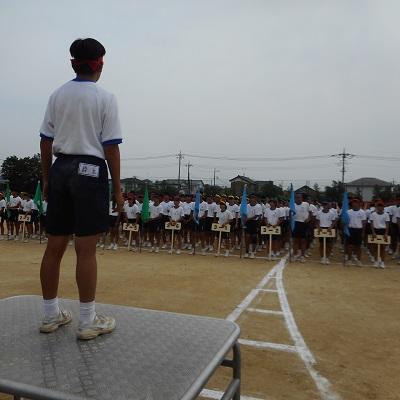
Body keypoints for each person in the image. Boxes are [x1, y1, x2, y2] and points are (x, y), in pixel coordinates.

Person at [39, 38, 123, 340]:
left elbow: (45, 141)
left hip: (61, 167)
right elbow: (111, 147)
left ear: (72, 63)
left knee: (54, 247)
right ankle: (88, 321)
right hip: (90, 169)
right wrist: (117, 189)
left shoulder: (57, 95)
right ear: (100, 64)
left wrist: (47, 179)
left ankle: (50, 315)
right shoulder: (105, 98)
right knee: (85, 250)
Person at [369, 201, 390, 268]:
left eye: (381, 206)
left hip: (383, 231)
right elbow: (371, 224)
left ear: (383, 207)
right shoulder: (373, 214)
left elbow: (387, 224)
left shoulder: (386, 214)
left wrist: (386, 233)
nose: (380, 207)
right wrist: (373, 232)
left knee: (382, 248)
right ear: (376, 207)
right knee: (375, 247)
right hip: (375, 230)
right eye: (378, 206)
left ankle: (382, 262)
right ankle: (376, 261)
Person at [346, 199, 366, 266]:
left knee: (358, 246)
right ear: (352, 204)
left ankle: (358, 260)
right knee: (349, 246)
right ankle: (349, 260)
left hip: (358, 230)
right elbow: (346, 222)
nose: (355, 204)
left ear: (359, 204)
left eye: (356, 202)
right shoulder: (348, 212)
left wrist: (363, 232)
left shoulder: (362, 212)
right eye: (353, 203)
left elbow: (364, 223)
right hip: (350, 230)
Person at [293, 193, 311, 263]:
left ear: (302, 198)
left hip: (304, 224)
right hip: (295, 223)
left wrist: (308, 219)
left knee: (303, 240)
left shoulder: (306, 204)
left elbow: (310, 213)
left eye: (299, 197)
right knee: (295, 240)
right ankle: (295, 254)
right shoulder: (293, 205)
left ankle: (302, 256)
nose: (298, 198)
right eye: (296, 197)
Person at [245, 194, 263, 259]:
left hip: (255, 222)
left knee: (254, 237)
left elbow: (257, 216)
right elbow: (244, 213)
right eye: (251, 198)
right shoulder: (247, 206)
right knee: (247, 237)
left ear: (256, 199)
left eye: (254, 198)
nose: (252, 199)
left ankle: (252, 252)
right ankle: (247, 252)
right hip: (248, 222)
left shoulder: (258, 206)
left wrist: (258, 225)